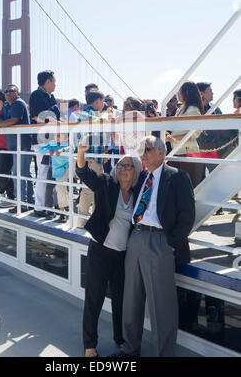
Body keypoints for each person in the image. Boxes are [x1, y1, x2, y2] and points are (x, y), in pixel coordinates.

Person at [113, 135, 195, 358]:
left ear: (161, 152)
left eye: (147, 149)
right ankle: (130, 349)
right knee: (131, 299)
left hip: (160, 241)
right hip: (136, 238)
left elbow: (187, 216)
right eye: (142, 150)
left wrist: (170, 245)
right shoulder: (141, 177)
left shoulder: (177, 177)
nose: (143, 154)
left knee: (161, 305)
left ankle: (164, 353)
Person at [76, 135, 143, 358]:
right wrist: (82, 152)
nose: (124, 169)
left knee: (121, 300)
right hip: (100, 250)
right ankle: (89, 344)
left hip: (123, 255)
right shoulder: (106, 183)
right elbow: (84, 173)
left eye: (129, 166)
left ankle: (120, 338)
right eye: (121, 165)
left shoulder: (138, 193)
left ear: (136, 171)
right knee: (94, 298)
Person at [0, 84, 33, 213]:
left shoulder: (18, 103)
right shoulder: (6, 105)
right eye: (6, 91)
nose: (8, 93)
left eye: (11, 91)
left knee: (19, 174)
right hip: (15, 146)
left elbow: (14, 120)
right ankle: (29, 202)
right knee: (23, 174)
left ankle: (22, 204)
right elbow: (0, 119)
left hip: (23, 145)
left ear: (18, 93)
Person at [29, 70, 61, 218]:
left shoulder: (50, 96)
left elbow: (53, 117)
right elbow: (38, 117)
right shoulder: (36, 95)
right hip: (41, 142)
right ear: (47, 81)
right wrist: (55, 109)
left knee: (50, 174)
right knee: (42, 173)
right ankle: (39, 208)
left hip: (50, 141)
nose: (55, 84)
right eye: (54, 81)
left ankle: (48, 205)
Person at [77, 90, 108, 228]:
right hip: (91, 157)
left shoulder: (94, 114)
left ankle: (92, 219)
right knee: (89, 190)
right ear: (97, 101)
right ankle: (82, 221)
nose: (104, 103)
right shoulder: (86, 114)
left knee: (96, 189)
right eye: (102, 101)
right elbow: (89, 123)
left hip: (95, 157)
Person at [166, 81, 204, 188]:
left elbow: (195, 133)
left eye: (180, 92)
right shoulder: (182, 108)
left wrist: (172, 138)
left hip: (187, 151)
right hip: (179, 150)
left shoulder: (192, 109)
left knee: (188, 184)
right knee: (178, 184)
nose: (178, 95)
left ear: (186, 92)